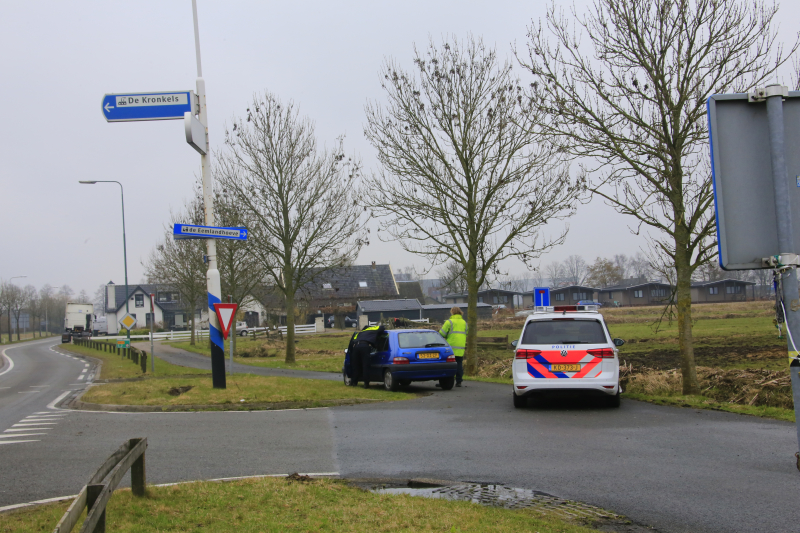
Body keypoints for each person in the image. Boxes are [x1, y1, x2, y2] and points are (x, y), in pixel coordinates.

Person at [346, 323, 386, 388]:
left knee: (355, 365)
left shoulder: (361, 332)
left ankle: (354, 382)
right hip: (365, 346)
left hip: (356, 347)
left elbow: (353, 341)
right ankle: (366, 384)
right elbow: (382, 328)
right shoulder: (373, 329)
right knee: (365, 365)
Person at [440, 306, 467, 387]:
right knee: (459, 364)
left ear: (452, 312)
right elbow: (467, 332)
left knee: (447, 364)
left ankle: (446, 381)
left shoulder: (449, 322)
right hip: (461, 347)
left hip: (450, 348)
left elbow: (442, 334)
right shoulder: (464, 322)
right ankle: (459, 381)